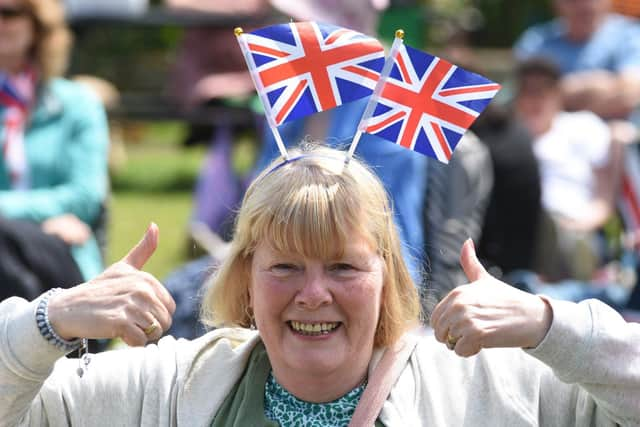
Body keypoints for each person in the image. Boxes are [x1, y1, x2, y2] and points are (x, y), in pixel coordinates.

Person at [1, 144, 639, 426]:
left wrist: (555, 328)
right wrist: (50, 320)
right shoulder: (168, 387)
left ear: (387, 278)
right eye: (284, 267)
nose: (313, 294)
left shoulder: (491, 387)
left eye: (342, 267)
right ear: (245, 278)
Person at [0, 0, 110, 301]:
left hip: (62, 258)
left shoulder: (78, 104)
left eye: (8, 13)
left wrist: (8, 217)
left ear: (38, 26)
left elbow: (85, 197)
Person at [514, 58, 615, 282]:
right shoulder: (508, 137)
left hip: (577, 232)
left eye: (543, 90)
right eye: (527, 90)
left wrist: (576, 225)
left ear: (557, 93)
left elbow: (604, 198)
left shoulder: (584, 127)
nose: (535, 98)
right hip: (523, 234)